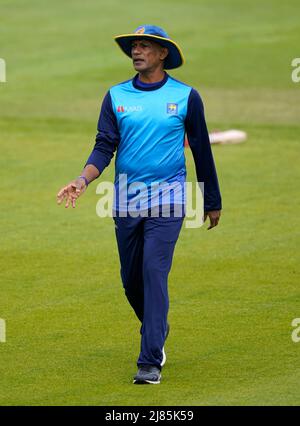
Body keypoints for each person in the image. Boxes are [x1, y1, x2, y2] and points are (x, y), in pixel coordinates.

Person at [57, 25, 222, 384]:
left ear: (163, 54)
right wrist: (83, 179)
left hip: (170, 200)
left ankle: (149, 361)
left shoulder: (185, 97)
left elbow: (203, 150)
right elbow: (104, 145)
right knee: (131, 282)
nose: (137, 51)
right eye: (134, 46)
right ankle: (156, 329)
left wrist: (212, 200)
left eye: (144, 46)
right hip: (125, 201)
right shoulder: (115, 96)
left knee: (153, 271)